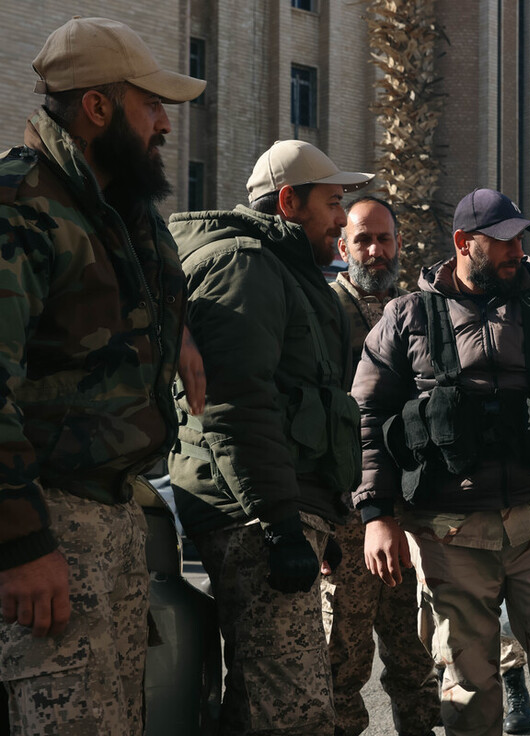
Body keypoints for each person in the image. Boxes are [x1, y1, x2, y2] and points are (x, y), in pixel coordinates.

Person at [353, 187, 530, 736]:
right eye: (502, 241)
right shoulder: (407, 316)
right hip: (448, 529)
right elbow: (367, 416)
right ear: (463, 243)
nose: (515, 252)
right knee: (467, 690)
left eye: (520, 240)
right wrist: (376, 513)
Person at [0, 16, 205, 734]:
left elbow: (137, 294)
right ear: (97, 108)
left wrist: (176, 332)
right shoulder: (22, 207)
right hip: (47, 524)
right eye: (151, 106)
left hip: (114, 516)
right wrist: (22, 544)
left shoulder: (114, 207)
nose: (164, 126)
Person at [167, 140, 372, 735]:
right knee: (292, 711)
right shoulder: (244, 265)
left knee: (260, 705)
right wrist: (281, 522)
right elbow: (235, 405)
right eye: (333, 203)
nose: (342, 218)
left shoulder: (284, 269)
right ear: (289, 202)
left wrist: (317, 516)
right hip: (252, 516)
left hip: (278, 509)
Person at [323, 194, 439, 736]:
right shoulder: (324, 313)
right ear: (342, 246)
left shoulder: (420, 313)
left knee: (417, 661)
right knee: (341, 665)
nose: (374, 250)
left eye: (384, 238)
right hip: (346, 521)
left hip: (414, 514)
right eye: (362, 239)